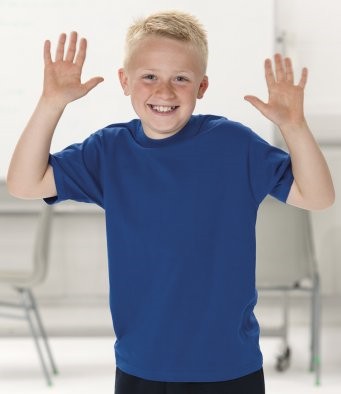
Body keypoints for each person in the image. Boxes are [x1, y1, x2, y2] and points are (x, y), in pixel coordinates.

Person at [7, 10, 334, 394]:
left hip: (227, 366)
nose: (164, 92)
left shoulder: (233, 144)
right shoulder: (110, 150)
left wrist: (294, 125)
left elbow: (318, 196)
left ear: (202, 86)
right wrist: (51, 104)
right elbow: (25, 183)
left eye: (181, 78)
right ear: (124, 81)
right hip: (142, 364)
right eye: (150, 77)